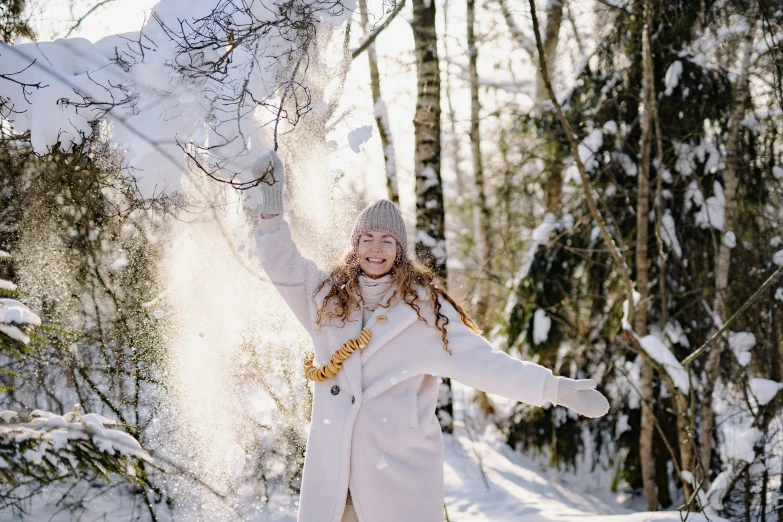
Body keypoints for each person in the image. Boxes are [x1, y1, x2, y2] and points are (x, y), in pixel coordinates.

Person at [246, 151, 609, 522]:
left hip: (397, 474)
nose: (375, 248)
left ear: (399, 251)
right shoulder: (324, 299)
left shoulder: (423, 313)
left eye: (386, 240)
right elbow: (283, 265)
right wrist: (272, 213)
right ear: (355, 247)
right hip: (336, 475)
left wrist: (553, 389)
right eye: (367, 238)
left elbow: (485, 364)